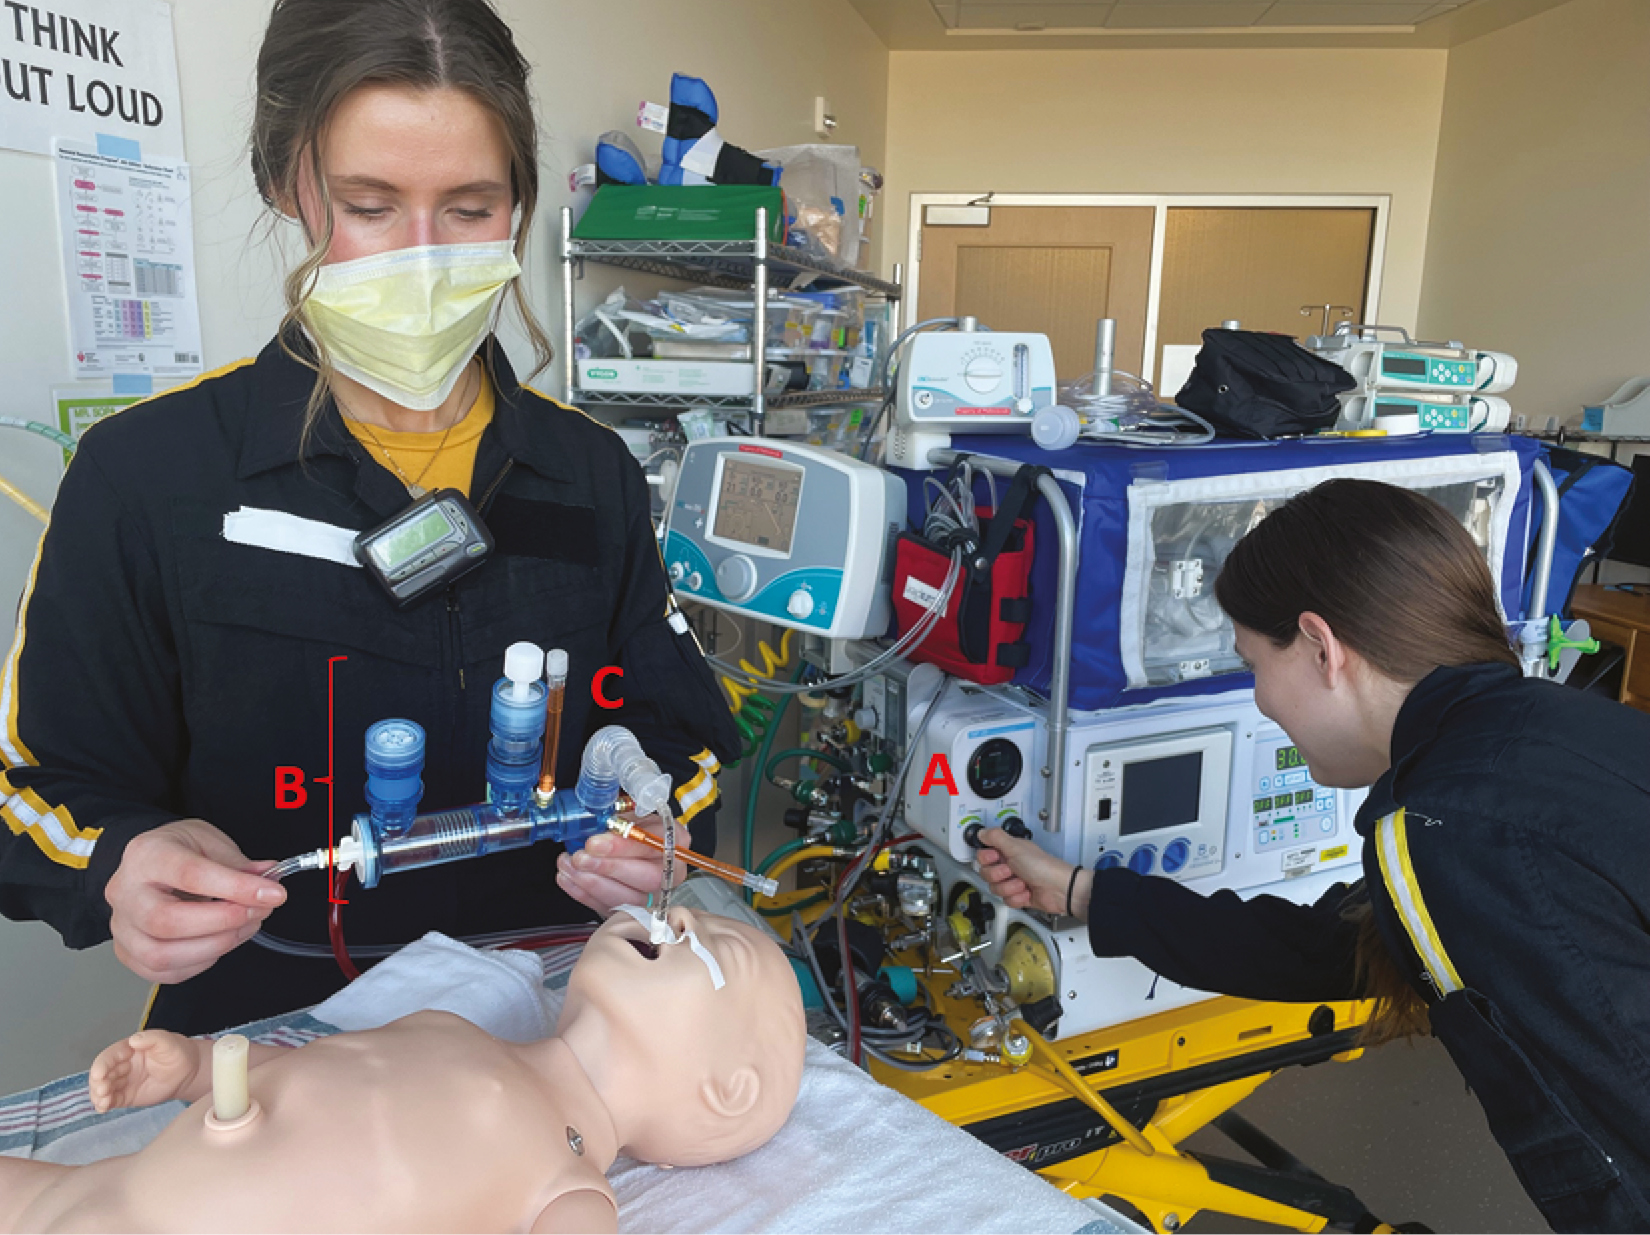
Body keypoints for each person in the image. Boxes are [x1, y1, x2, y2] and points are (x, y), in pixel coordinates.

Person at [0, 0, 737, 1035]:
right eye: (371, 206)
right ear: (285, 183)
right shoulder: (147, 475)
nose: (421, 257)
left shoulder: (589, 472)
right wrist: (118, 861)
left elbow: (684, 730)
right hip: (267, 1027)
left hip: (559, 1016)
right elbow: (37, 788)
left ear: (520, 206)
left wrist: (656, 818)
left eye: (472, 209)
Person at [976, 479, 1650, 1233]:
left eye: (1254, 664)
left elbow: (1609, 1130)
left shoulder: (1444, 824)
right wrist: (1081, 892)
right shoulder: (1556, 732)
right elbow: (1339, 944)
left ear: (1321, 646)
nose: (1262, 699)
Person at [0, 907, 807, 1234]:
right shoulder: (454, 1028)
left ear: (726, 1089)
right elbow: (311, 1072)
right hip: (114, 1184)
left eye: (714, 943)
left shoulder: (570, 1188)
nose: (683, 911)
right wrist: (195, 1067)